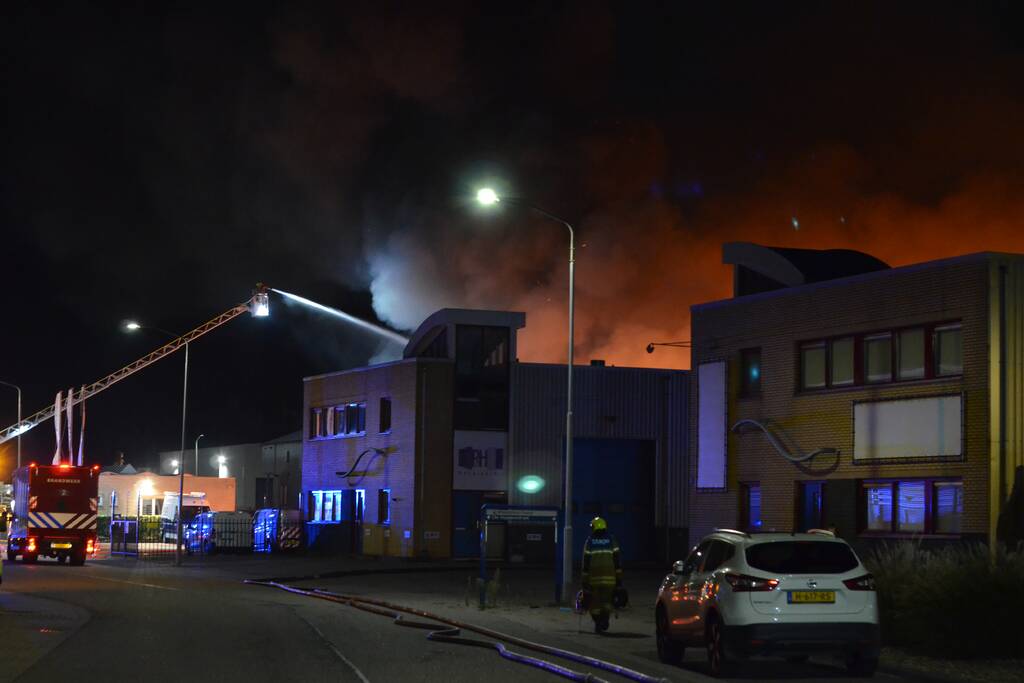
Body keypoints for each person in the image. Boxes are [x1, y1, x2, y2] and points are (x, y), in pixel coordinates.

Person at [580, 516, 622, 633]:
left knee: (594, 604)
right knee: (607, 601)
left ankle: (598, 622)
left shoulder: (590, 541)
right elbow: (617, 561)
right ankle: (604, 620)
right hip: (610, 579)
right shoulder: (612, 540)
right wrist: (619, 580)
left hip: (594, 579)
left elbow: (586, 563)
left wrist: (584, 580)